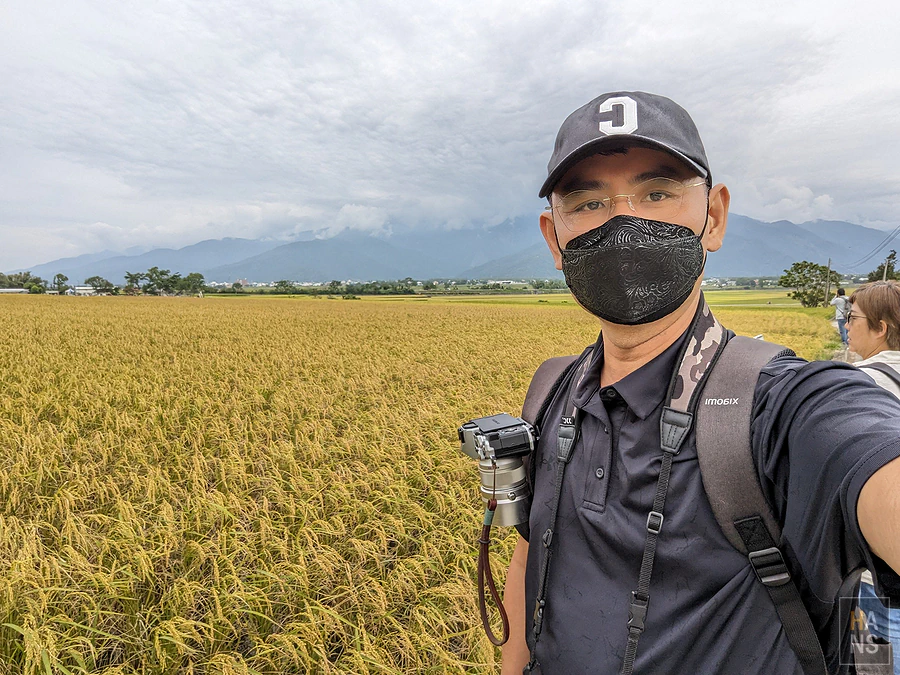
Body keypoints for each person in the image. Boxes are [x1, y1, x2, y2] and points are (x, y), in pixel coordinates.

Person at [501, 91, 900, 675]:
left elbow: (867, 454)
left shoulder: (783, 407)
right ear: (553, 238)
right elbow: (531, 556)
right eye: (587, 202)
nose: (622, 221)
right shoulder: (552, 390)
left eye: (657, 193)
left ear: (713, 217)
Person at [848, 280, 900, 674]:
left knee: (876, 654)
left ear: (880, 327)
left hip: (878, 573)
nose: (847, 327)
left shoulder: (859, 383)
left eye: (853, 319)